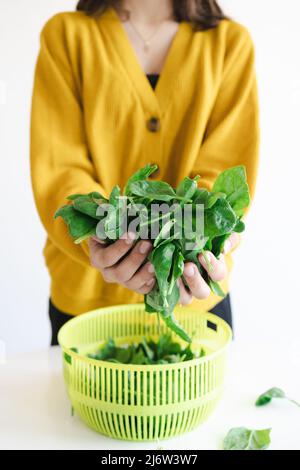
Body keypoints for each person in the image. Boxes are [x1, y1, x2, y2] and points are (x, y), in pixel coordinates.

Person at [30, 0, 259, 345]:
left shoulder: (228, 43)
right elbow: (61, 170)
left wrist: (198, 243)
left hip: (193, 299)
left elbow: (223, 177)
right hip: (86, 306)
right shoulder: (66, 36)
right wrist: (101, 237)